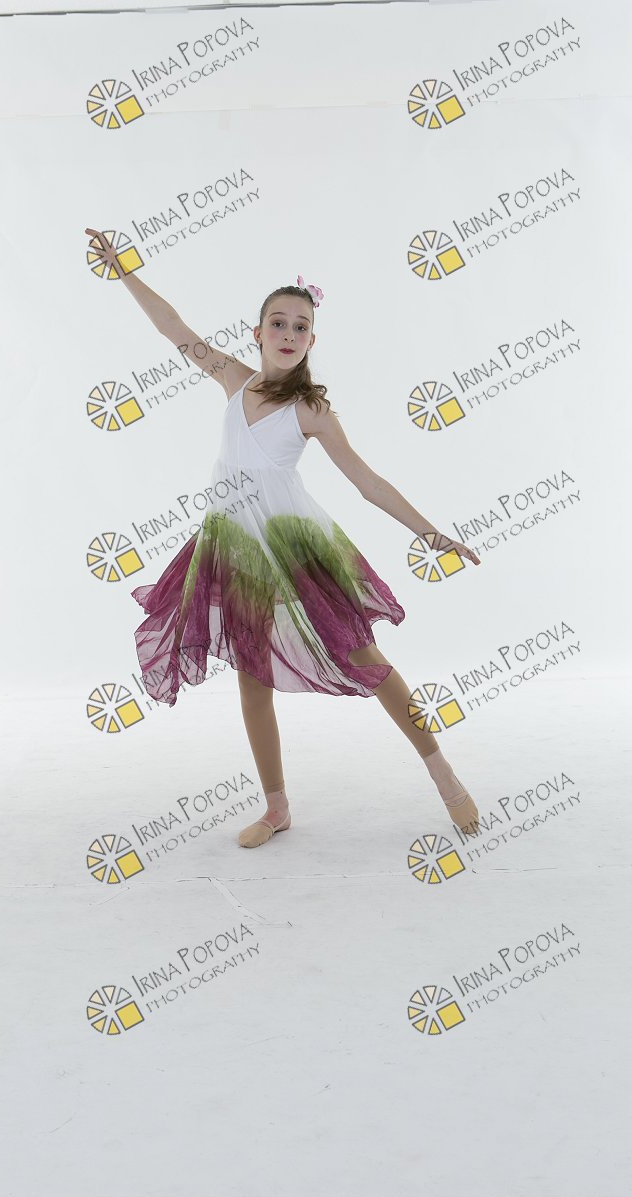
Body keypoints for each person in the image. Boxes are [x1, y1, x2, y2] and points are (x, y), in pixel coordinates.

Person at [85, 228, 482, 848]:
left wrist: (430, 533)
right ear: (258, 332)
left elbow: (367, 482)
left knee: (365, 657)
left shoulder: (311, 410)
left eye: (301, 326)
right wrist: (123, 270)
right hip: (236, 549)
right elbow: (173, 327)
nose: (289, 333)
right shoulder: (233, 380)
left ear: (312, 340)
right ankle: (276, 807)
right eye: (279, 323)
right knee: (252, 679)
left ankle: (444, 774)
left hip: (295, 546)